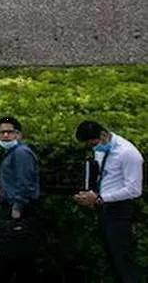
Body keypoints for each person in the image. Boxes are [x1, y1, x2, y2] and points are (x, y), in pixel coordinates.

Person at [73, 121, 143, 283]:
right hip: (103, 207)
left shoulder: (128, 153)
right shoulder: (101, 150)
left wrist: (102, 198)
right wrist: (91, 195)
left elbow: (134, 189)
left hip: (119, 209)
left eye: (94, 143)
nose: (93, 147)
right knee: (110, 257)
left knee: (123, 259)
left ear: (103, 135)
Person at [0, 116, 41, 283]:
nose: (5, 135)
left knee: (15, 260)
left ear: (18, 135)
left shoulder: (21, 153)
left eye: (9, 132)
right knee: (16, 261)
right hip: (11, 206)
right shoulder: (11, 153)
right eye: (2, 132)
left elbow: (25, 182)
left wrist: (17, 207)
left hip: (19, 210)